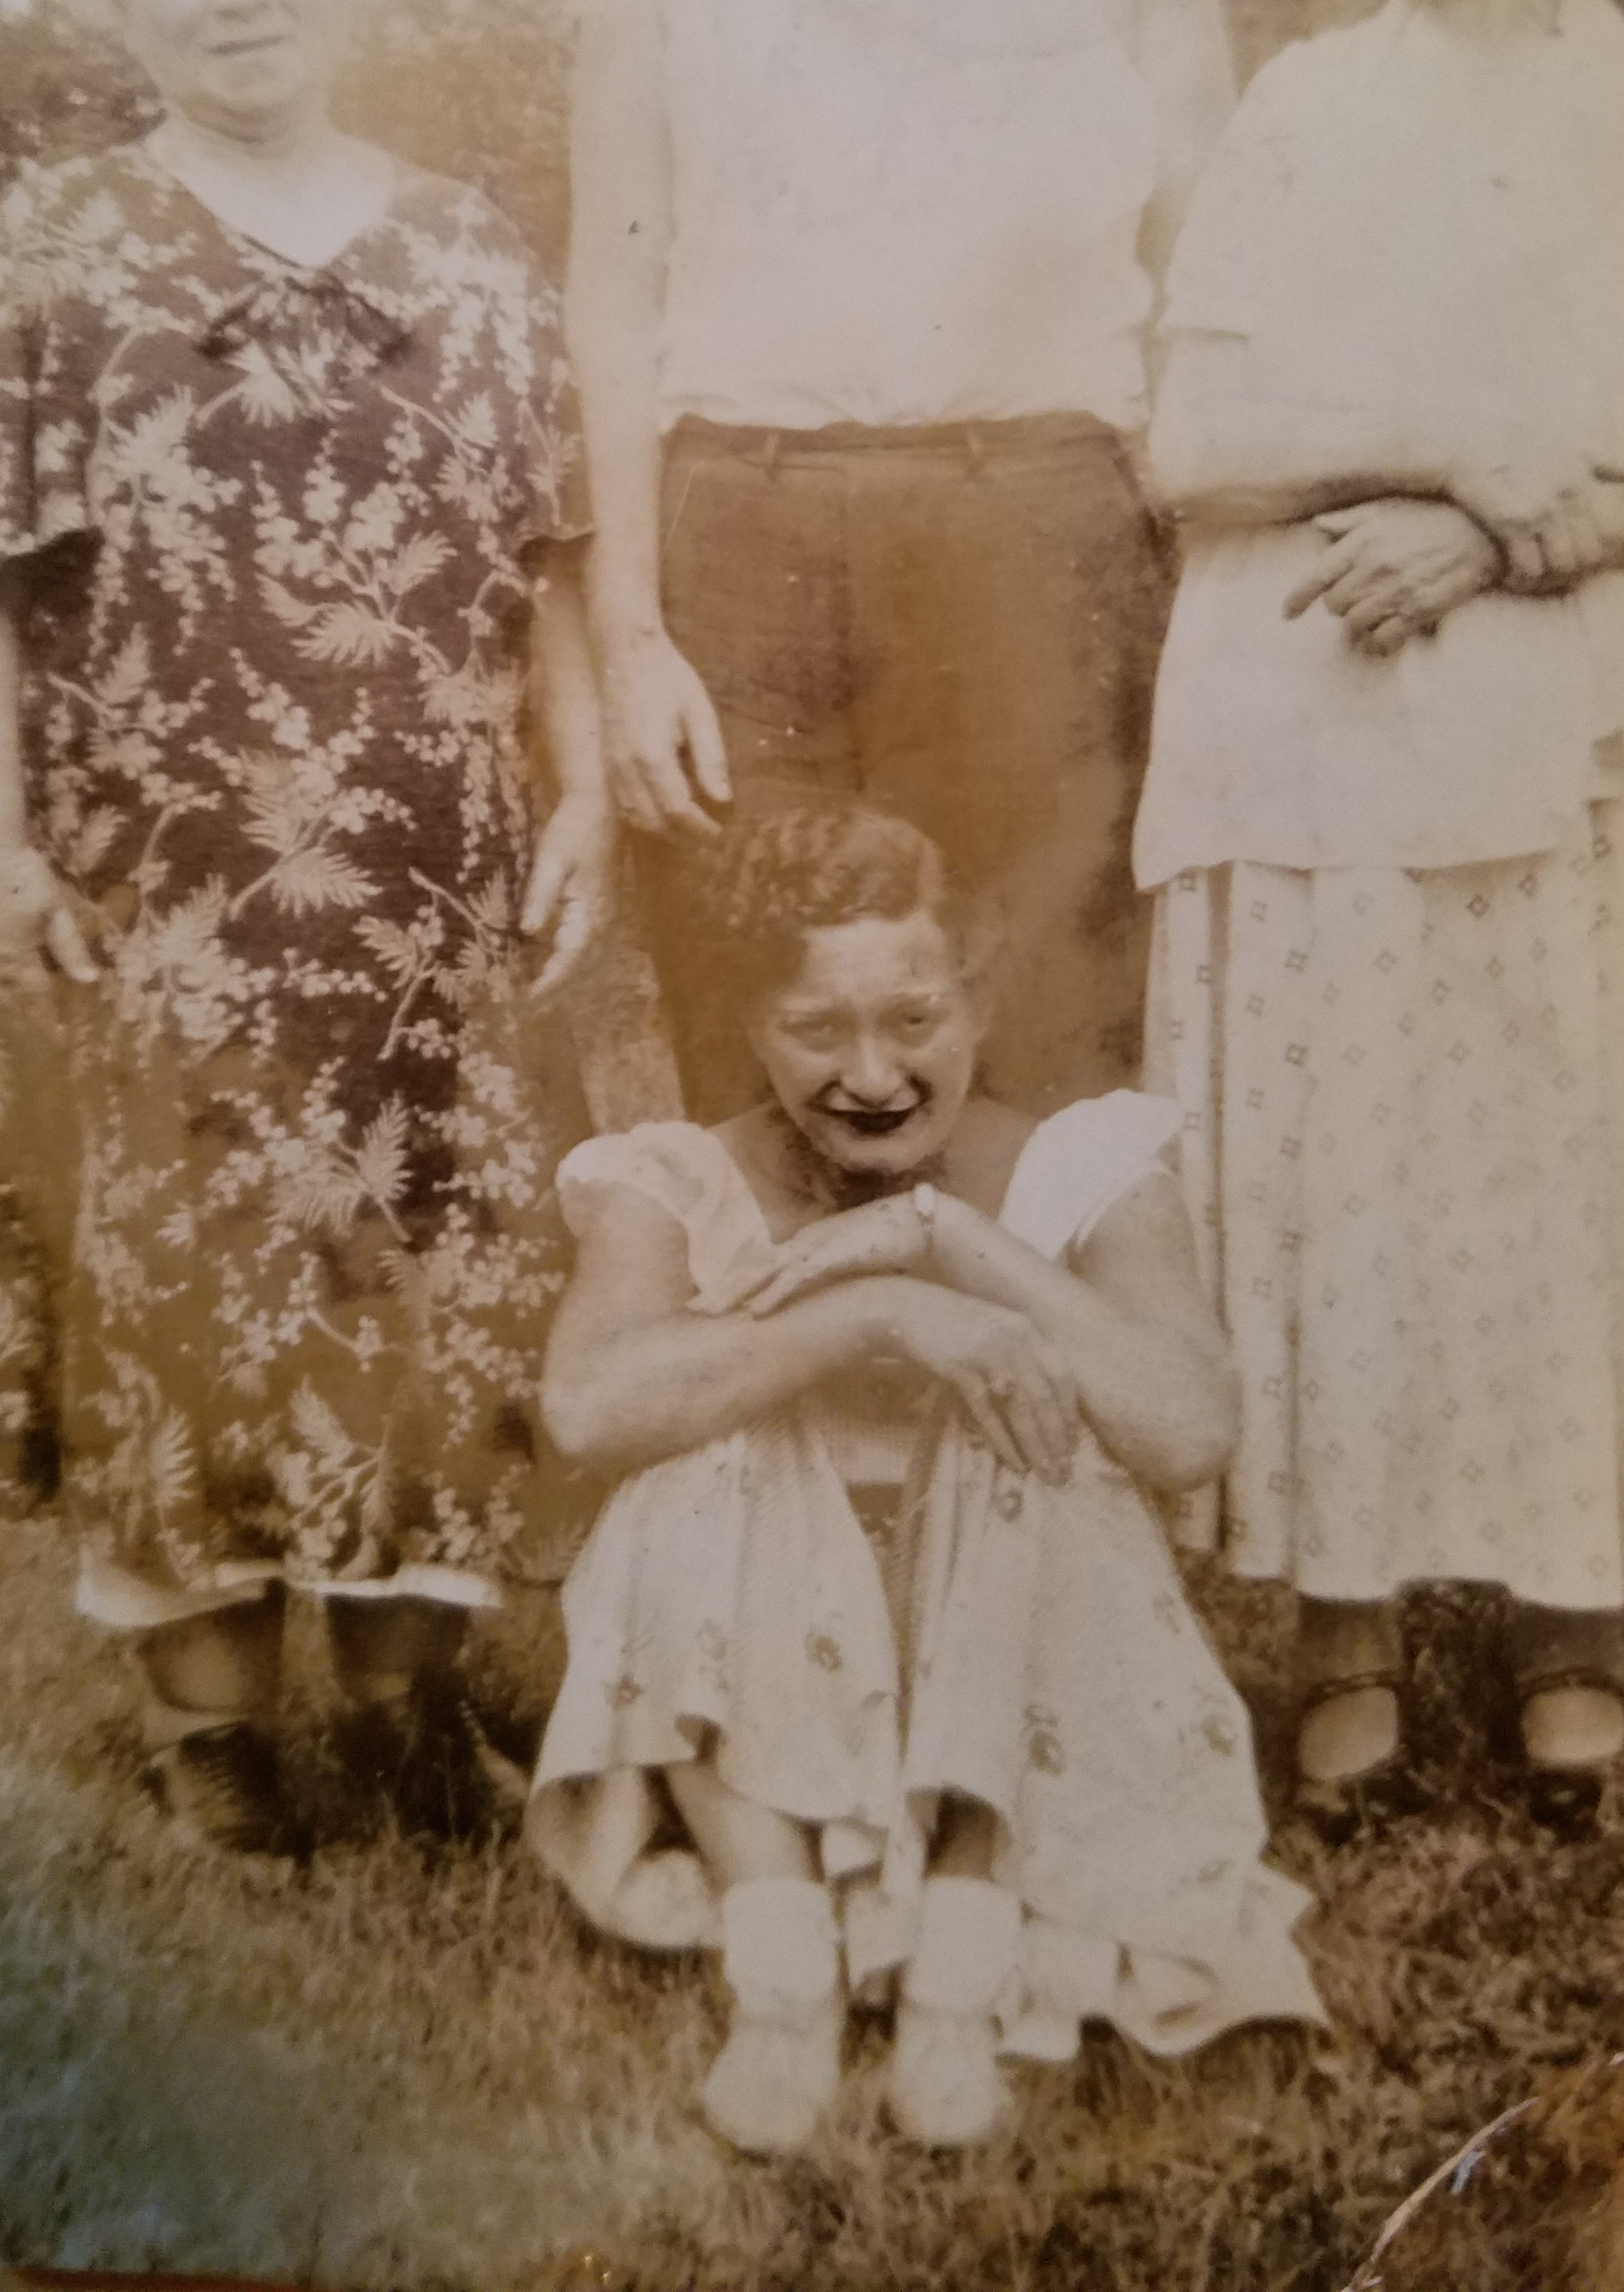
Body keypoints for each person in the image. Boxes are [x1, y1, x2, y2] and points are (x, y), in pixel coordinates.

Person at [0, 0, 612, 1852]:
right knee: (187, 1292)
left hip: (424, 914)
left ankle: (403, 1709)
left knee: (421, 1290)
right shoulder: (56, 246)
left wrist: (588, 785)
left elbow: (553, 549)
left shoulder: (464, 241)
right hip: (166, 915)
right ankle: (211, 1732)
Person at [1134, 0, 1624, 1832]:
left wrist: (1514, 536)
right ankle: (1342, 1627)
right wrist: (1444, 451)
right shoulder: (1306, 110)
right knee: (1348, 1164)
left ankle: (1575, 1627)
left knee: (1564, 1154)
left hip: (1595, 707)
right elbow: (1199, 443)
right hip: (1336, 713)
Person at [565, 0, 1238, 1120]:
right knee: (764, 1052)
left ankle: (1037, 1389)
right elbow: (616, 294)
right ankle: (801, 1392)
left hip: (1036, 527)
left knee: (1049, 1049)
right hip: (743, 544)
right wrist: (634, 634)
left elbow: (1215, 259)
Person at [527, 797, 1323, 2158]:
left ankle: (962, 1958)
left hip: (1014, 1676)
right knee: (699, 1443)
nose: (874, 1074)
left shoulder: (1086, 1165)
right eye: (815, 1029)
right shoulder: (680, 1178)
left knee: (1029, 1414)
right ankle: (780, 1974)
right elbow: (591, 1408)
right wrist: (869, 1318)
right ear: (751, 1022)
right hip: (761, 1684)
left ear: (977, 992)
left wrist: (945, 1244)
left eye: (914, 1019)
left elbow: (1188, 1429)